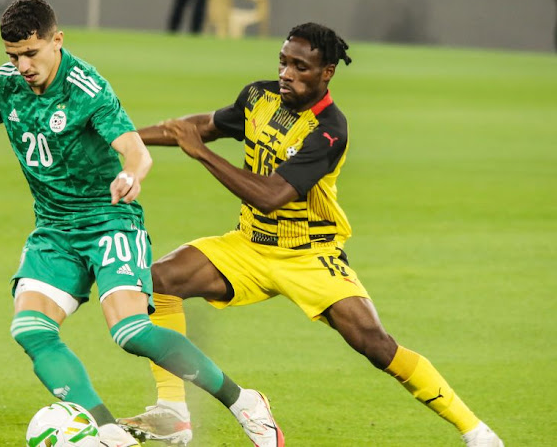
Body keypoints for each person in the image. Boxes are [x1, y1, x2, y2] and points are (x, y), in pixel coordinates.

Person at [0, 0, 284, 447]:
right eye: (12, 56)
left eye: (30, 53)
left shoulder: (87, 87)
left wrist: (131, 174)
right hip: (55, 231)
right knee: (30, 328)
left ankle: (244, 402)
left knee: (131, 332)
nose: (22, 66)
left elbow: (135, 148)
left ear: (57, 41)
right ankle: (108, 430)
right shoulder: (3, 87)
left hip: (109, 222)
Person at [118, 23, 505, 447]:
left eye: (300, 67)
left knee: (375, 344)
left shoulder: (329, 130)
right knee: (157, 282)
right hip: (249, 245)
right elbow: (202, 126)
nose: (286, 73)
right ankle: (173, 412)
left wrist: (201, 153)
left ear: (327, 72)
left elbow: (271, 196)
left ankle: (477, 432)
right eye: (283, 62)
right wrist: (124, 139)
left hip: (309, 256)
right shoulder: (259, 97)